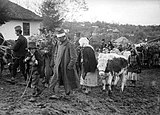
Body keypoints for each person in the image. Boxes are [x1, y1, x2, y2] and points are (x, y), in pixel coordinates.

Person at [49, 29, 80, 98]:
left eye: (60, 38)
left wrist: (70, 66)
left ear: (64, 37)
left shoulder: (70, 45)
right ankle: (56, 93)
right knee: (56, 79)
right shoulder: (58, 43)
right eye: (58, 38)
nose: (59, 39)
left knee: (67, 80)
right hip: (58, 66)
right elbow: (55, 54)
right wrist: (55, 62)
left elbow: (74, 57)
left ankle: (68, 93)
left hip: (65, 66)